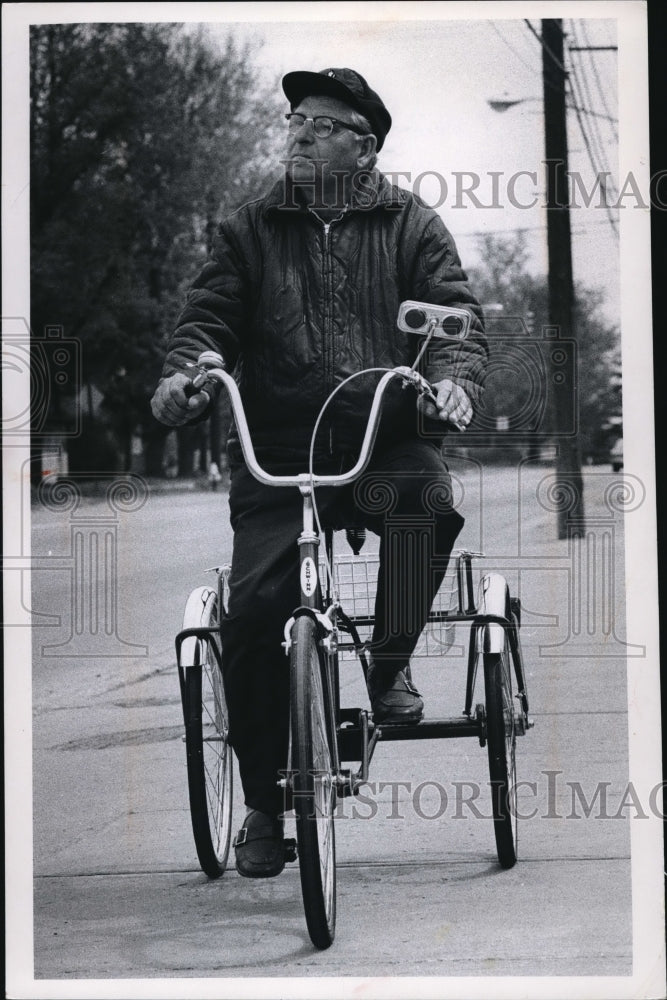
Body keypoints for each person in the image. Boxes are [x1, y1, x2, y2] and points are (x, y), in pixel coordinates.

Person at [151, 68, 488, 878]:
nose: (298, 132)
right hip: (279, 445)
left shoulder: (411, 223)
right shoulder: (250, 226)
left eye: (319, 123)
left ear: (361, 143)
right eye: (294, 119)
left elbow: (453, 319)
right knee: (256, 609)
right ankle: (268, 805)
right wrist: (188, 372)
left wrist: (451, 382)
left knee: (426, 506)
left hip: (383, 435)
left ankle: (389, 660)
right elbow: (209, 319)